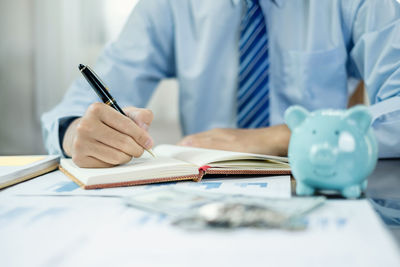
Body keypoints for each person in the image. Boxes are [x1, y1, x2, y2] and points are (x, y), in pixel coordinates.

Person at [42, 0, 400, 168]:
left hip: (322, 175)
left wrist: (285, 136)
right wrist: (78, 133)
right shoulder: (168, 6)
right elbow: (72, 110)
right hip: (205, 196)